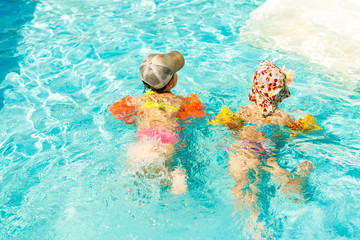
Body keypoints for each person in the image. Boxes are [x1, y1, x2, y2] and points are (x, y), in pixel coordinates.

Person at [210, 60, 320, 237]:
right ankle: (298, 179)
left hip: (244, 149)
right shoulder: (283, 116)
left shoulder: (245, 111)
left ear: (255, 88)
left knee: (243, 182)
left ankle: (247, 220)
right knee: (276, 170)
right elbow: (296, 131)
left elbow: (233, 125)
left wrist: (229, 123)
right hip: (268, 148)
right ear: (281, 93)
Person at [109, 51, 206, 195]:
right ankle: (176, 174)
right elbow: (197, 116)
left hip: (145, 138)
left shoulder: (136, 101)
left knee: (139, 167)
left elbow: (116, 111)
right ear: (172, 82)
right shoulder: (181, 101)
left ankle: (166, 174)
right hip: (167, 138)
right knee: (170, 162)